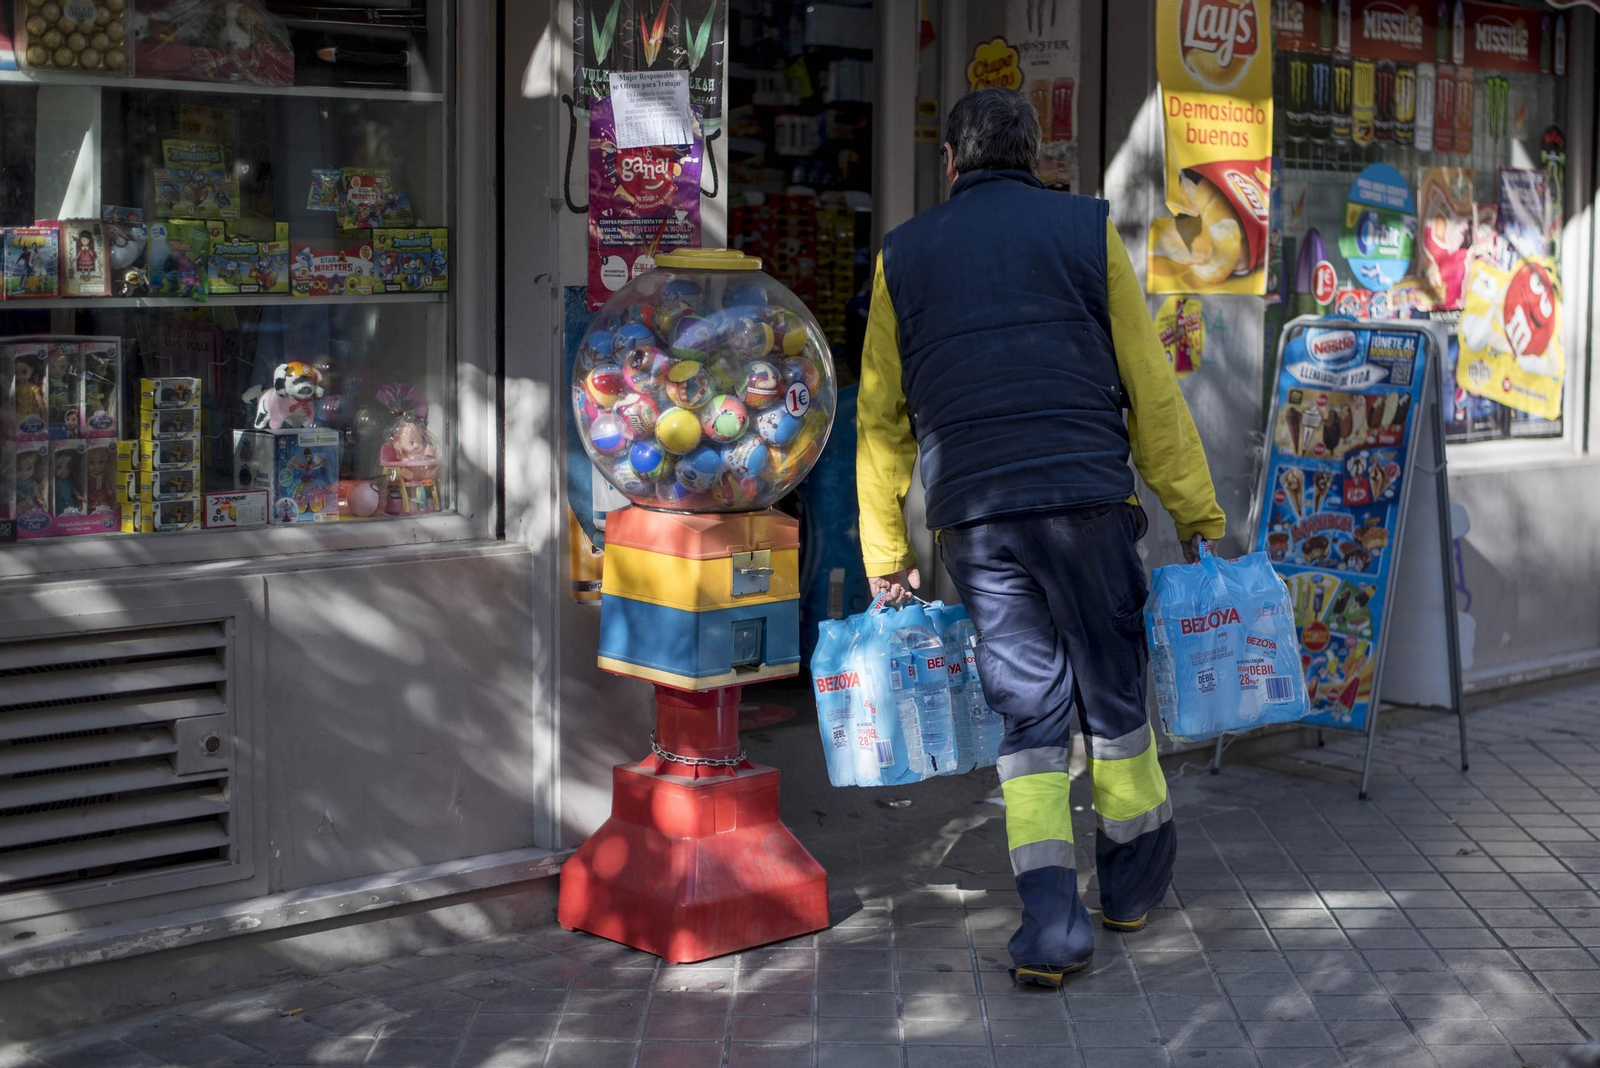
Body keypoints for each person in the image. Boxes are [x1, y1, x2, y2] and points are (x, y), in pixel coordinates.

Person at [855, 88, 1226, 989]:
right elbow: (1149, 383)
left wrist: (886, 557)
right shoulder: (1083, 229)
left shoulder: (900, 257)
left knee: (1028, 712)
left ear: (950, 162)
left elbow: (880, 422)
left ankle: (1051, 928)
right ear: (1036, 159)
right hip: (1086, 502)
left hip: (977, 520)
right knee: (1113, 695)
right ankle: (1132, 891)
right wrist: (1199, 514)